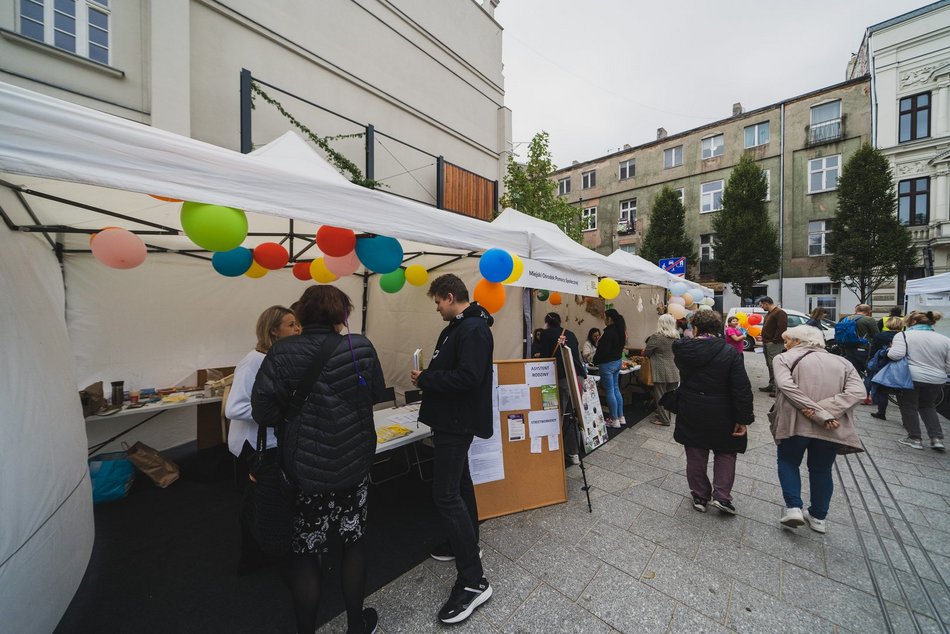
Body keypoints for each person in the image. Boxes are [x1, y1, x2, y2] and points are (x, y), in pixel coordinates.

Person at [252, 286, 387, 634]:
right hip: (354, 464)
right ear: (341, 315)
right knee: (353, 542)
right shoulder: (361, 347)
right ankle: (356, 624)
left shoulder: (281, 353)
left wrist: (297, 409)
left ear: (304, 313)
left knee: (306, 551)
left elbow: (263, 411)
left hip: (304, 471)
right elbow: (375, 393)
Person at [409, 274, 494, 625]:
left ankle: (473, 581)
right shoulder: (462, 327)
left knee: (445, 494)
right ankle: (466, 542)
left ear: (449, 296)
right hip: (451, 420)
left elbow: (468, 378)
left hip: (456, 422)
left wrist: (426, 378)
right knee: (459, 485)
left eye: (438, 302)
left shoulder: (472, 329)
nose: (437, 308)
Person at [225, 305, 300, 574]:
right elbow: (233, 408)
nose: (297, 329)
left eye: (297, 323)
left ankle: (260, 556)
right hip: (255, 448)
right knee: (257, 506)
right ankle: (256, 559)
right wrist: (279, 412)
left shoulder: (279, 358)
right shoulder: (253, 361)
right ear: (273, 331)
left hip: (272, 444)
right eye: (291, 325)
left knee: (261, 505)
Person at [771, 325, 866, 534]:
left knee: (788, 461)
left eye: (788, 341)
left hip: (795, 422)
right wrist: (827, 412)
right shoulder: (843, 362)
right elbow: (859, 392)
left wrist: (816, 412)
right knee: (821, 469)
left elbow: (786, 387)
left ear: (797, 341)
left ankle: (794, 507)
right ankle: (818, 517)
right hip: (831, 426)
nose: (785, 345)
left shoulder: (783, 359)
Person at [672, 310, 754, 515]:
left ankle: (700, 495)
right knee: (725, 452)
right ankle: (722, 497)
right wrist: (743, 418)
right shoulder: (729, 352)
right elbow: (741, 388)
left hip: (692, 406)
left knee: (695, 453)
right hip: (723, 409)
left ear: (695, 328)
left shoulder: (683, 350)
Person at [888, 311, 950, 451]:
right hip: (936, 379)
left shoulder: (904, 335)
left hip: (910, 377)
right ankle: (937, 438)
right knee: (928, 406)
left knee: (909, 407)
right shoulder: (944, 339)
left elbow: (895, 355)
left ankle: (915, 438)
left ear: (913, 322)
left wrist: (888, 350)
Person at [537, 312, 588, 465]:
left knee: (558, 414)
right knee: (573, 413)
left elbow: (546, 357)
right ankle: (575, 452)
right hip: (578, 377)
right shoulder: (570, 333)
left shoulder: (545, 334)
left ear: (547, 322)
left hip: (560, 378)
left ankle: (559, 450)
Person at [642, 314, 680, 426]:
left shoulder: (657, 337)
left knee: (660, 396)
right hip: (674, 369)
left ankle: (664, 420)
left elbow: (647, 352)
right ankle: (666, 417)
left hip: (660, 370)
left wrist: (645, 352)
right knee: (669, 396)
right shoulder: (676, 336)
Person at [593, 308, 628, 428]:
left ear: (610, 319)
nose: (604, 320)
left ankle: (614, 419)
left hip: (607, 364)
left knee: (609, 391)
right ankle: (620, 417)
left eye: (605, 317)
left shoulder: (609, 333)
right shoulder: (620, 331)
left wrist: (595, 360)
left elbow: (603, 351)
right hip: (617, 362)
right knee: (615, 389)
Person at [867, 317, 901, 420]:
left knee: (882, 389)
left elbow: (873, 350)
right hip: (899, 365)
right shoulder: (903, 336)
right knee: (901, 390)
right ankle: (906, 416)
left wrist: (871, 360)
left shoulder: (879, 336)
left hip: (882, 364)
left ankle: (881, 412)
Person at [838, 304, 879, 378]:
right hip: (863, 348)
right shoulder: (869, 319)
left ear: (856, 310)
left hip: (848, 348)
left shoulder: (846, 319)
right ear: (868, 311)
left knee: (853, 371)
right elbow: (876, 335)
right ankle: (865, 387)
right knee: (869, 371)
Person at [758, 297, 788, 396]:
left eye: (761, 305)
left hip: (773, 344)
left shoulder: (780, 313)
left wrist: (774, 341)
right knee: (769, 365)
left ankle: (776, 388)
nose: (761, 307)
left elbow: (782, 328)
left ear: (766, 303)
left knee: (774, 365)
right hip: (767, 343)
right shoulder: (769, 313)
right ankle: (772, 385)